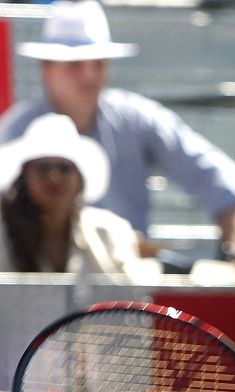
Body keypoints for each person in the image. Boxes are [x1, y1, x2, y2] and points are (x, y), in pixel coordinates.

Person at [0, 0, 235, 270]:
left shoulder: (137, 119)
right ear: (47, 70)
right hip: (31, 283)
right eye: (75, 65)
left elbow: (221, 181)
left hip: (127, 288)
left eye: (99, 63)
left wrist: (230, 260)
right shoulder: (14, 131)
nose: (90, 75)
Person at [0, 112, 154, 278]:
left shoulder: (109, 231)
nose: (53, 177)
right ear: (24, 177)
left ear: (80, 178)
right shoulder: (3, 232)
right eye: (43, 168)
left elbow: (133, 294)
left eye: (64, 168)